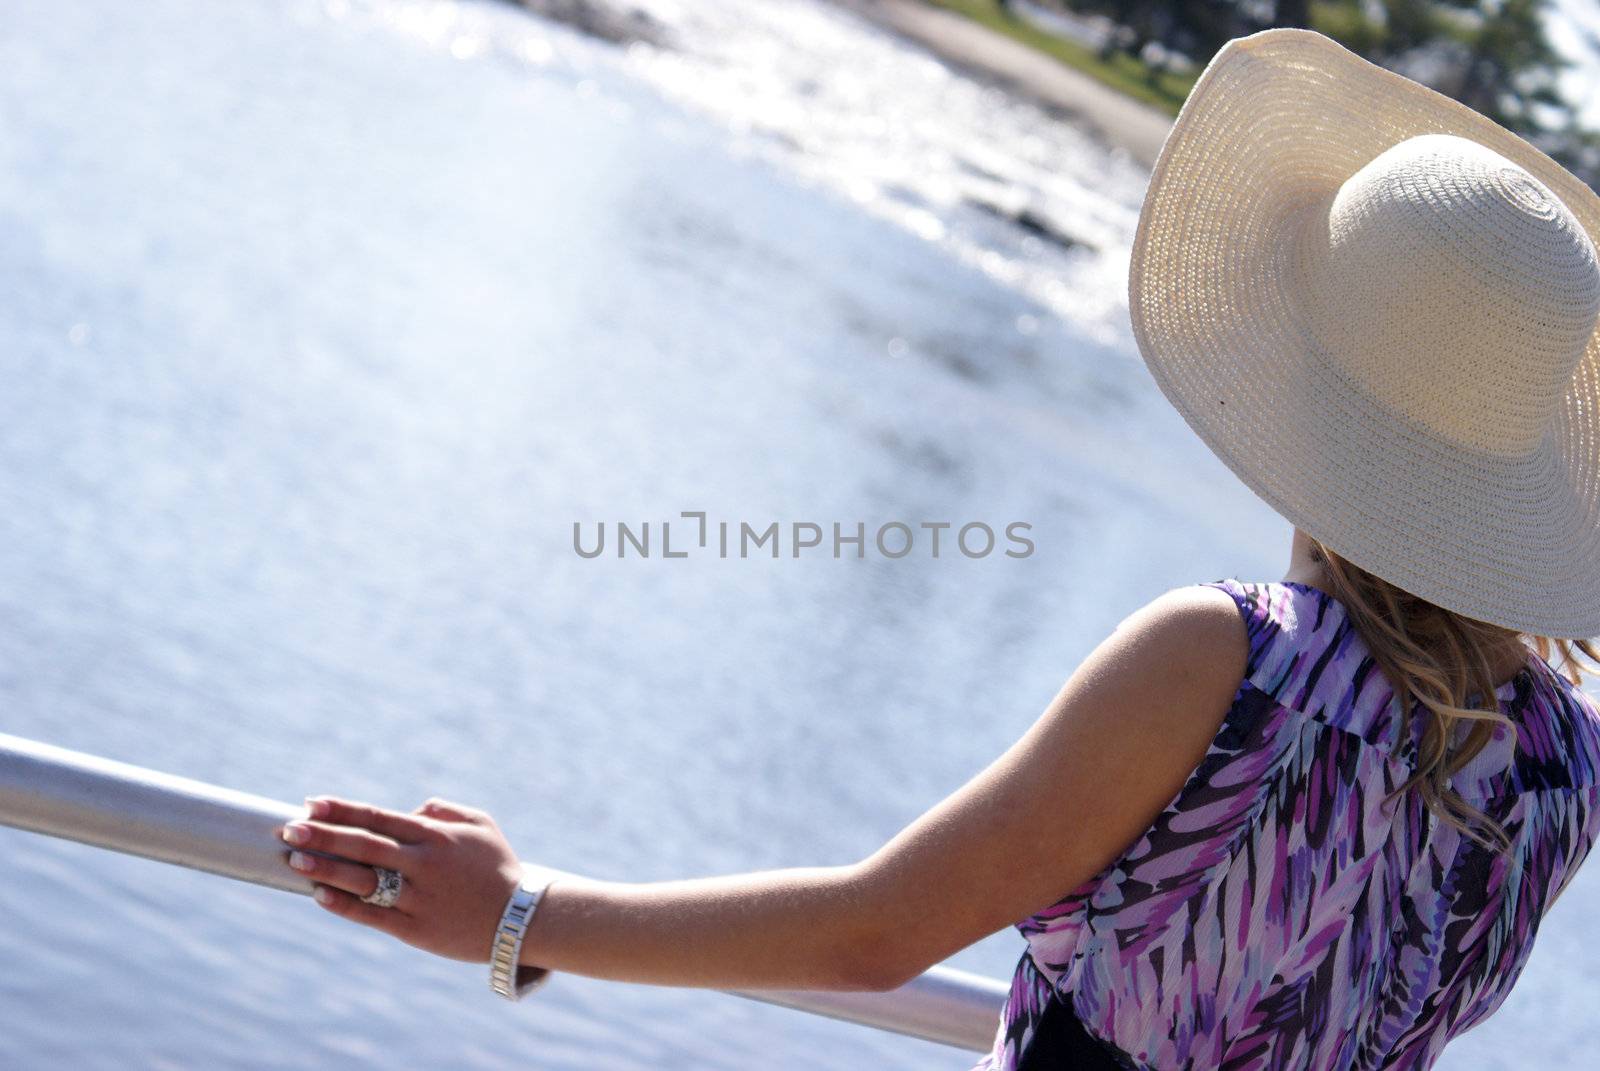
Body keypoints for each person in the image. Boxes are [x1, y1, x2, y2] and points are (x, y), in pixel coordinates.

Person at [278, 27, 1600, 1070]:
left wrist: (520, 915)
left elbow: (876, 935)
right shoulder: (1568, 765)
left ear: (1298, 373)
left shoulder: (1227, 660)